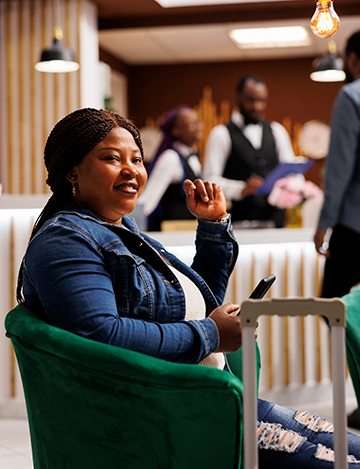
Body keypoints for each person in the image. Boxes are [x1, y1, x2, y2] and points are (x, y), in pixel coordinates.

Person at [17, 108, 360, 468]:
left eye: (136, 158)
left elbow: (194, 299)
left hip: (207, 399)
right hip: (169, 419)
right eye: (112, 158)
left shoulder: (122, 230)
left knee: (351, 448)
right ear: (72, 170)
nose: (132, 169)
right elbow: (101, 332)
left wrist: (213, 228)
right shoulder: (66, 240)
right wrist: (211, 334)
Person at [203, 74, 295, 227]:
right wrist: (242, 189)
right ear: (237, 98)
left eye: (261, 100)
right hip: (239, 222)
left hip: (276, 221)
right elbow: (210, 179)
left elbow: (291, 171)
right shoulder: (221, 133)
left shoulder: (277, 131)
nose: (257, 106)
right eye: (251, 100)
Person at [314, 30, 360, 301]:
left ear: (352, 59)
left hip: (354, 226)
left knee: (333, 306)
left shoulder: (351, 96)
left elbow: (340, 168)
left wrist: (324, 223)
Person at [138, 104, 202, 230]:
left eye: (198, 122)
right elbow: (148, 201)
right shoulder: (170, 158)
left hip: (189, 231)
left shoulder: (193, 157)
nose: (198, 127)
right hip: (172, 233)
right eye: (191, 124)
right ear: (175, 130)